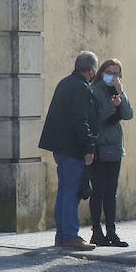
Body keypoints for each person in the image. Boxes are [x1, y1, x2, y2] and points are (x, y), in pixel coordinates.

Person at [38, 51, 100, 250]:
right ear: (91, 70)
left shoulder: (65, 83)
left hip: (60, 145)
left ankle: (62, 234)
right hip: (72, 147)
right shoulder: (81, 88)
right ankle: (70, 235)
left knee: (65, 190)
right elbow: (80, 120)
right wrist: (89, 146)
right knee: (71, 191)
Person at [86, 59, 134, 248]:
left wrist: (120, 95)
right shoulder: (94, 90)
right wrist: (110, 107)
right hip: (99, 146)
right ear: (101, 72)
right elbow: (94, 118)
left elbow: (128, 114)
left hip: (114, 147)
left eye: (116, 73)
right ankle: (96, 231)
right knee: (98, 190)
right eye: (109, 71)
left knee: (111, 192)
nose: (112, 76)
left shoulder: (117, 91)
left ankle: (112, 231)